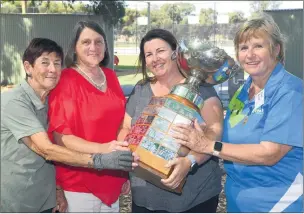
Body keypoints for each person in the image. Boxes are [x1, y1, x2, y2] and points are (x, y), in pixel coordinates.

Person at [172, 13, 303, 212]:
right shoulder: (244, 90)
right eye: (243, 48)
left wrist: (208, 145)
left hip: (277, 202)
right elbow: (233, 135)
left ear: (276, 49)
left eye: (258, 46)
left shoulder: (290, 92)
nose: (250, 54)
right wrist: (199, 132)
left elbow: (270, 153)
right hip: (238, 200)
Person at [1, 38, 137, 213]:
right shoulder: (14, 102)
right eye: (45, 63)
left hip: (44, 199)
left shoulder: (50, 98)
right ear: (28, 67)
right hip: (17, 201)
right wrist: (99, 159)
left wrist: (58, 190)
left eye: (57, 63)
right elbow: (46, 149)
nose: (52, 69)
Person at [118, 28, 224, 213]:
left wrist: (190, 161)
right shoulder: (141, 89)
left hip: (193, 198)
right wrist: (125, 152)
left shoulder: (201, 88)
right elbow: (126, 126)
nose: (155, 58)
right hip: (144, 196)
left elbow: (214, 132)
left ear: (175, 52)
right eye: (148, 54)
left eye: (160, 51)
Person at [47, 20, 134, 213]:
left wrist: (123, 168)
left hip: (112, 175)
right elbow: (62, 137)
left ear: (105, 46)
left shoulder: (111, 76)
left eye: (98, 42)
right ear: (75, 48)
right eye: (86, 42)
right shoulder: (66, 80)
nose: (93, 47)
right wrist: (104, 150)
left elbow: (121, 125)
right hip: (79, 180)